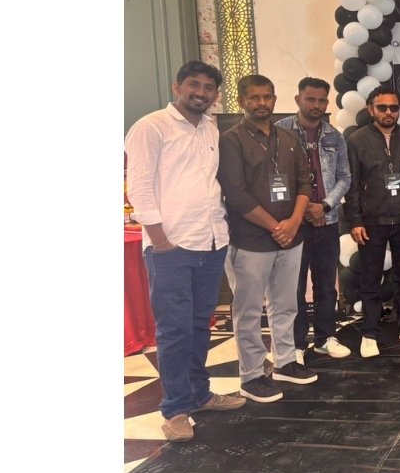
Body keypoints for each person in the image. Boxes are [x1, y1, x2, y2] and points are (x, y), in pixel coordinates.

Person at [124, 60, 244, 441]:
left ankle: (199, 394)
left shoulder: (210, 127)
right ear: (178, 86)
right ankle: (175, 409)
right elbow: (139, 188)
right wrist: (160, 241)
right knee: (174, 329)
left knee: (199, 324)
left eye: (208, 88)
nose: (201, 93)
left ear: (215, 95)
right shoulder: (151, 127)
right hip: (171, 248)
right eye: (194, 85)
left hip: (211, 241)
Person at [218, 74, 318, 403]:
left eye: (267, 97)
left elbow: (304, 183)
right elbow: (235, 194)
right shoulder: (231, 140)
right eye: (254, 97)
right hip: (251, 239)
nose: (261, 103)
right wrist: (277, 226)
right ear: (241, 101)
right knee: (248, 311)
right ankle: (251, 375)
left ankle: (285, 362)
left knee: (286, 304)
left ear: (275, 99)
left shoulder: (288, 137)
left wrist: (294, 222)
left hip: (291, 236)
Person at [346, 85, 400, 356]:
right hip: (371, 220)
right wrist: (355, 220)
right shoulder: (357, 140)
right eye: (382, 107)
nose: (388, 112)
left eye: (394, 108)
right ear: (371, 109)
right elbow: (352, 184)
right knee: (370, 278)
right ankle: (369, 332)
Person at [275, 77, 352, 361]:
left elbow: (345, 177)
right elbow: (276, 176)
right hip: (293, 223)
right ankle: (296, 345)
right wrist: (305, 208)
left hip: (327, 222)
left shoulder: (334, 136)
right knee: (293, 288)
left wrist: (326, 205)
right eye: (311, 99)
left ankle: (325, 338)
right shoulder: (280, 132)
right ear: (298, 99)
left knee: (326, 285)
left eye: (321, 100)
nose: (316, 105)